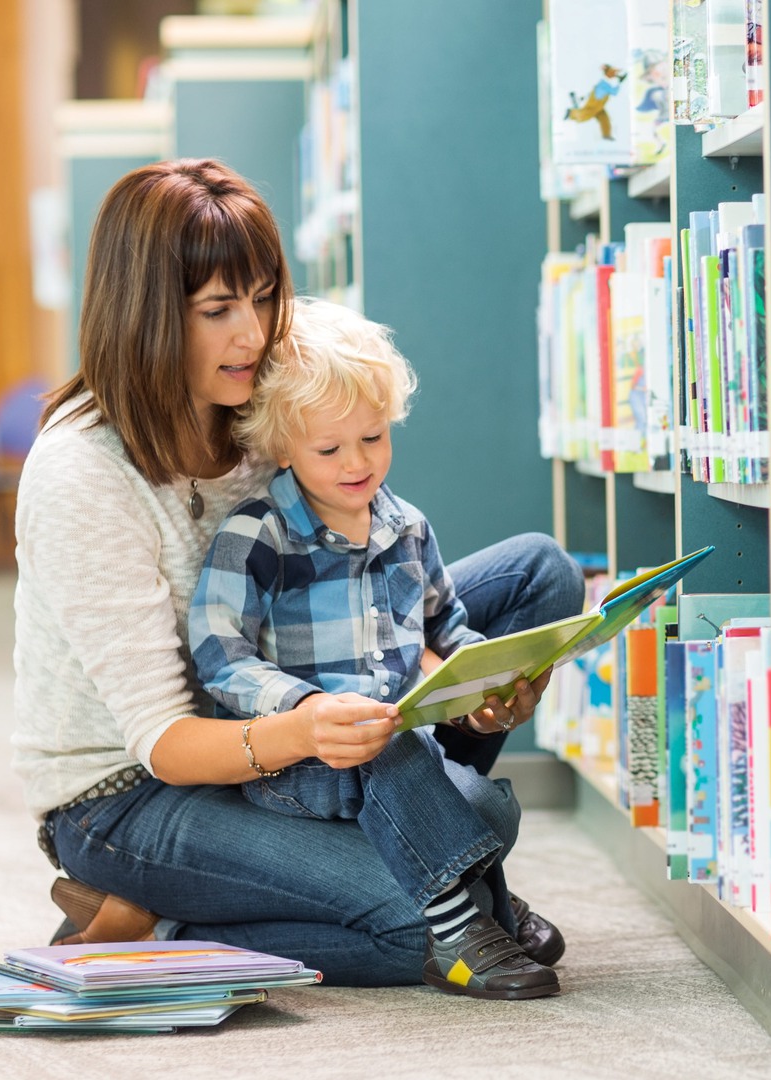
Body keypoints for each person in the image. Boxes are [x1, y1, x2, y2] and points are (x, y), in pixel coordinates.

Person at [11, 158, 583, 990]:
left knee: (539, 581)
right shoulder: (82, 476)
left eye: (265, 296)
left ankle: (425, 819)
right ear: (146, 317)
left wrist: (464, 681)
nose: (253, 335)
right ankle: (158, 917)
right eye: (217, 311)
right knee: (406, 928)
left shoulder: (256, 396)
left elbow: (363, 524)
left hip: (288, 707)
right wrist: (312, 728)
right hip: (133, 792)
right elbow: (164, 740)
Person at [186, 297, 555, 998]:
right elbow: (220, 657)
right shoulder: (258, 535)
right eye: (329, 449)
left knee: (490, 807)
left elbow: (448, 627)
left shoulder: (406, 527)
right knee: (392, 746)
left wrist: (480, 687)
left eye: (375, 438)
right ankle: (467, 926)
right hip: (293, 764)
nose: (358, 463)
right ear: (283, 446)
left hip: (393, 747)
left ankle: (477, 905)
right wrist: (309, 711)